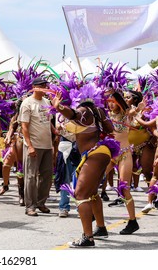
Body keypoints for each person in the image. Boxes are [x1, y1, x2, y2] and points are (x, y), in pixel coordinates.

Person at [51, 83, 117, 248]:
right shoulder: (98, 112)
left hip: (93, 155)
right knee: (92, 193)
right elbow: (110, 129)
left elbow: (72, 114)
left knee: (80, 194)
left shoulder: (83, 111)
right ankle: (100, 228)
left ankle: (88, 237)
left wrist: (58, 107)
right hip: (101, 152)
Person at [18, 77, 54, 216]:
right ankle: (30, 205)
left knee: (47, 175)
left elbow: (48, 121)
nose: (44, 88)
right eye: (41, 86)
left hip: (47, 145)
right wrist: (30, 146)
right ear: (34, 87)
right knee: (31, 176)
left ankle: (41, 202)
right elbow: (24, 126)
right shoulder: (27, 103)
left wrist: (54, 131)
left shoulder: (46, 102)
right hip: (33, 145)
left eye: (45, 85)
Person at [105, 91, 139, 234]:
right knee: (95, 181)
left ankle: (132, 221)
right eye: (109, 101)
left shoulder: (126, 113)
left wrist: (138, 108)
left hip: (124, 154)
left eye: (113, 101)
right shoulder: (105, 115)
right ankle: (96, 218)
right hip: (110, 154)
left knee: (124, 189)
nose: (111, 104)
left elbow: (132, 111)